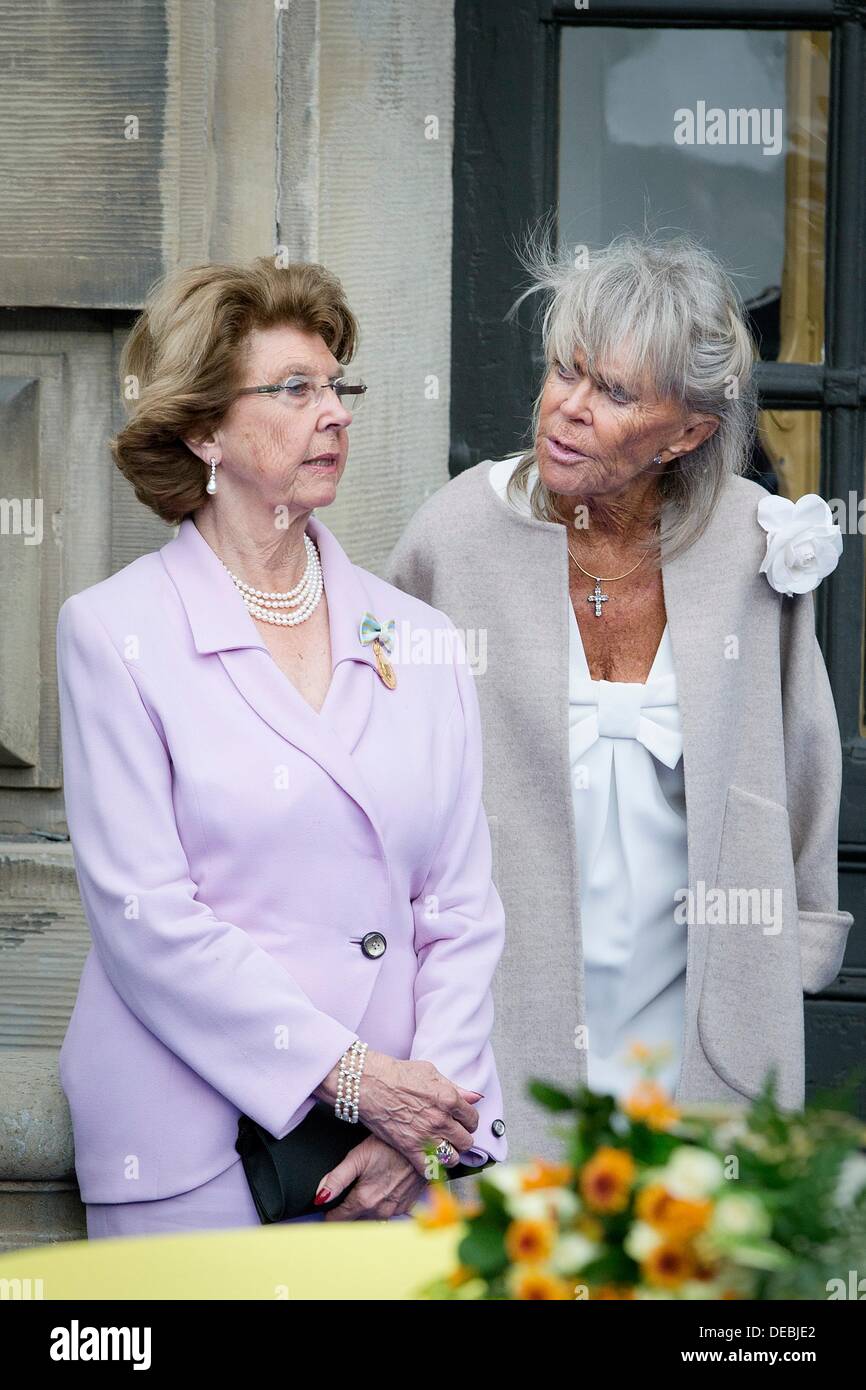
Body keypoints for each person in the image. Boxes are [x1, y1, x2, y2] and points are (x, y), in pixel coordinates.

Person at [56, 256, 507, 1238]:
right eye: (296, 389)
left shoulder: (418, 639)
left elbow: (461, 911)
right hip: (191, 1155)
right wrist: (354, 1080)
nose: (334, 411)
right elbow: (149, 921)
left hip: (387, 1173)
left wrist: (422, 1128)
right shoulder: (113, 632)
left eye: (336, 386)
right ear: (203, 427)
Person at [386, 231, 853, 1165]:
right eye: (566, 370)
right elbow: (385, 760)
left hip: (699, 1000)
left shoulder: (751, 547)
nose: (567, 408)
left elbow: (802, 763)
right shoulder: (456, 533)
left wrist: (794, 946)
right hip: (508, 991)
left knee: (691, 1257)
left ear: (687, 432)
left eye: (615, 393)